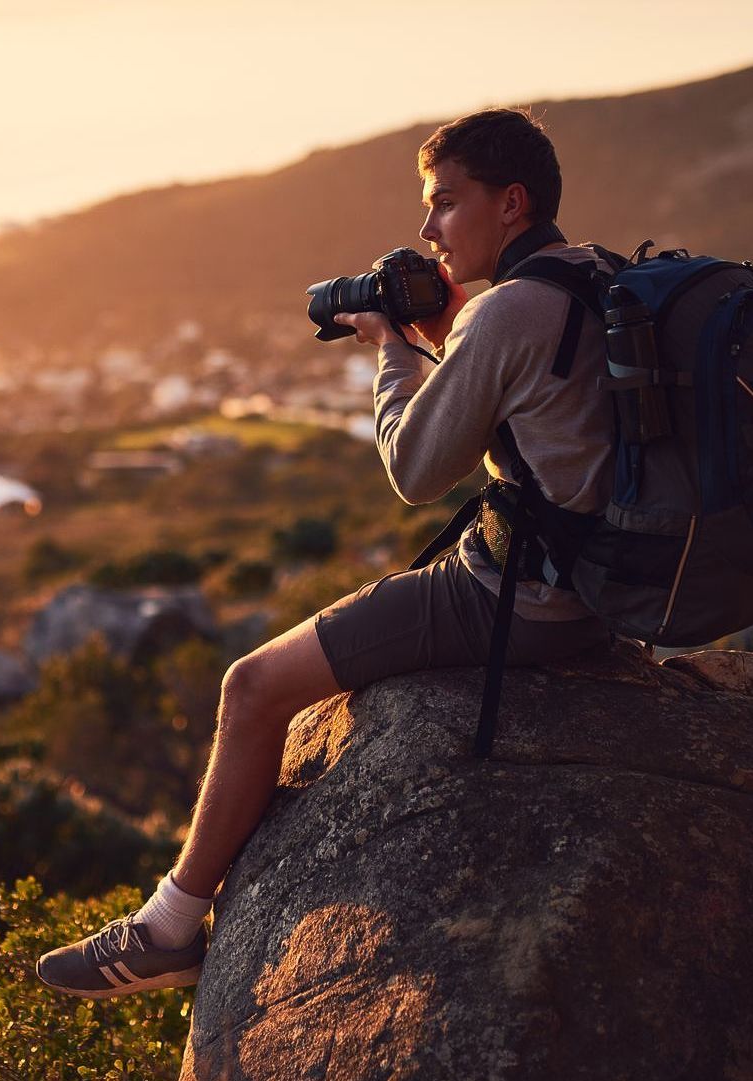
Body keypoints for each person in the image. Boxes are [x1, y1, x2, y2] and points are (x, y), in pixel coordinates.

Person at [36, 107, 615, 999]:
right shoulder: (594, 277)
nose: (427, 230)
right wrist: (446, 345)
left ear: (511, 204)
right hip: (606, 588)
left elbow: (417, 471)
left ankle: (168, 927)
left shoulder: (505, 313)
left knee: (252, 685)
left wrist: (390, 353)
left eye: (445, 204)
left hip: (527, 599)